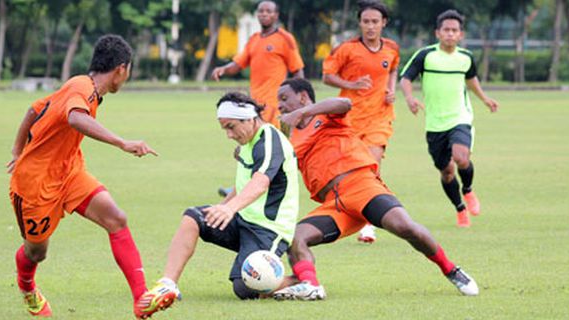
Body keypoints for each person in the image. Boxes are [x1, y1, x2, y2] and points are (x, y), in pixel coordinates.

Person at [272, 78, 479, 301]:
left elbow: (344, 103)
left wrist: (303, 113)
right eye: (278, 101)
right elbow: (269, 164)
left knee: (405, 227)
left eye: (284, 99)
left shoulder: (325, 115)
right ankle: (310, 286)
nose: (280, 105)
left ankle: (451, 270)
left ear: (303, 97)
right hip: (335, 204)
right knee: (295, 238)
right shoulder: (287, 137)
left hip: (362, 186)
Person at [7, 35, 159, 319]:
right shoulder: (82, 88)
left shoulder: (79, 86)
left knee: (116, 218)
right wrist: (122, 143)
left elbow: (34, 108)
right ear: (121, 69)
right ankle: (27, 287)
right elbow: (76, 118)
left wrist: (17, 149)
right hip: (36, 184)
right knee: (36, 252)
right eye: (128, 72)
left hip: (70, 171)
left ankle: (142, 299)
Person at [141, 92, 300, 315]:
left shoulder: (270, 140)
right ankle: (168, 284)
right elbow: (244, 182)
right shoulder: (248, 140)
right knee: (194, 217)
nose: (228, 135)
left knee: (244, 288)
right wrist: (223, 206)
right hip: (243, 218)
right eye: (224, 128)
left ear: (250, 118)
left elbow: (260, 183)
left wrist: (229, 208)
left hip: (269, 229)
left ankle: (299, 281)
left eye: (231, 127)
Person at [399, 9, 499, 227]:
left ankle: (469, 191)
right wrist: (409, 98)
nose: (450, 34)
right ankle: (460, 208)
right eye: (446, 30)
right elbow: (406, 78)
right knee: (446, 172)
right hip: (435, 123)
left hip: (460, 117)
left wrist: (484, 99)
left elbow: (471, 80)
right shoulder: (426, 55)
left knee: (461, 157)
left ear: (461, 34)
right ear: (438, 33)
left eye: (455, 30)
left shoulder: (466, 58)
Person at [322, 0, 400, 243]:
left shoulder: (391, 48)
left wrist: (391, 89)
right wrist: (350, 85)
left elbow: (393, 69)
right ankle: (353, 211)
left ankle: (368, 224)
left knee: (371, 165)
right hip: (350, 120)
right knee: (352, 172)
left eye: (375, 22)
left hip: (379, 118)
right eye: (366, 21)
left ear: (383, 23)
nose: (370, 26)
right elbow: (327, 76)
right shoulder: (347, 49)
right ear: (360, 23)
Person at [211, 0, 304, 129]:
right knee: (257, 139)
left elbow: (297, 70)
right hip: (254, 103)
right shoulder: (254, 39)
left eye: (268, 11)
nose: (264, 14)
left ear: (276, 15)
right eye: (261, 11)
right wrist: (223, 69)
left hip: (274, 103)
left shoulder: (285, 38)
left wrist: (298, 98)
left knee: (271, 139)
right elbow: (237, 65)